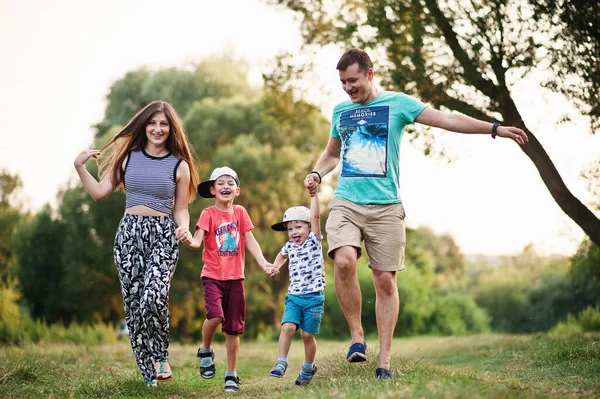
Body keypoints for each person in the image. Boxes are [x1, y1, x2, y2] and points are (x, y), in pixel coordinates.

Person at [303, 48, 529, 380]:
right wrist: (317, 173)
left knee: (384, 280)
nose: (348, 88)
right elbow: (331, 152)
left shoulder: (399, 104)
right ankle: (357, 337)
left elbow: (448, 119)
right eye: (342, 83)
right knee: (344, 260)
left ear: (370, 73)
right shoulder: (341, 110)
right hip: (346, 200)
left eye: (353, 81)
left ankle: (384, 360)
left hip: (387, 207)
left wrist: (494, 128)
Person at [74, 100, 199, 387]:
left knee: (152, 296)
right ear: (144, 126)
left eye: (164, 124)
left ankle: (160, 356)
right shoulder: (128, 159)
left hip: (164, 235)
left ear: (171, 129)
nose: (157, 129)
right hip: (129, 235)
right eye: (152, 123)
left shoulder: (179, 166)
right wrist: (79, 166)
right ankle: (149, 377)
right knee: (133, 306)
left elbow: (181, 208)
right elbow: (99, 192)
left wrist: (183, 228)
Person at [180, 166, 274, 393]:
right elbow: (197, 241)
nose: (225, 186)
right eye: (220, 183)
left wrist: (264, 263)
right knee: (215, 316)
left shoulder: (240, 213)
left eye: (230, 183)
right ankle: (205, 350)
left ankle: (231, 374)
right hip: (212, 276)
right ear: (212, 189)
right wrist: (188, 241)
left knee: (233, 330)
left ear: (237, 190)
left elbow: (250, 241)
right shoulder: (208, 214)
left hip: (236, 278)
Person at [268, 192, 325, 387]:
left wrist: (314, 195)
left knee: (307, 336)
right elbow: (281, 256)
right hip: (294, 297)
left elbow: (316, 216)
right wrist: (276, 266)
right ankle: (281, 361)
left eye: (298, 227)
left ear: (309, 227)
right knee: (288, 327)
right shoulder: (289, 246)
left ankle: (308, 368)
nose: (293, 232)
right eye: (290, 229)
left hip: (314, 298)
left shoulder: (314, 240)